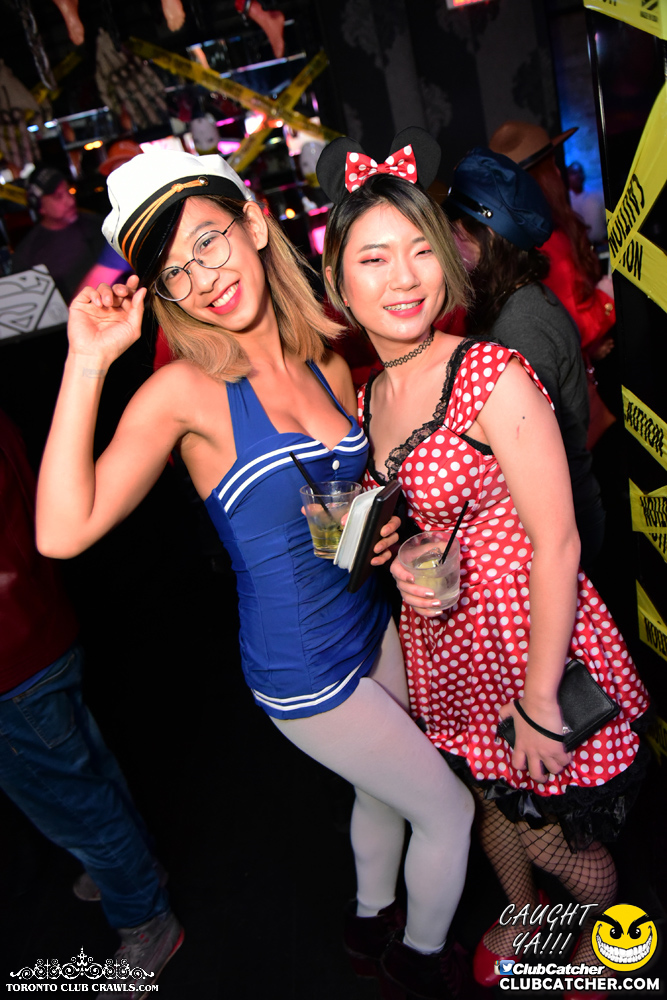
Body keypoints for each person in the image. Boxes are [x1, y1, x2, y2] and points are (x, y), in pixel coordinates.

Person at [35, 150, 475, 1000]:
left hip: (367, 620)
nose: (203, 277)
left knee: (383, 795)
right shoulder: (181, 394)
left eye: (209, 241)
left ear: (254, 224)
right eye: (176, 269)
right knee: (448, 810)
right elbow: (60, 531)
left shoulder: (326, 361)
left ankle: (368, 923)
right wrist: (85, 360)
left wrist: (380, 540)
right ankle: (423, 965)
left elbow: (334, 515)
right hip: (301, 669)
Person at [319, 128, 649, 1000]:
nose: (404, 277)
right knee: (490, 804)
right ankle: (525, 921)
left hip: (524, 636)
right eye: (374, 258)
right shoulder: (371, 393)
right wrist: (396, 555)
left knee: (557, 837)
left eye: (422, 249)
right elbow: (413, 515)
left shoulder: (490, 371)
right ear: (338, 282)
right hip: (446, 645)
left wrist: (539, 700)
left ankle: (607, 946)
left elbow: (559, 542)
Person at [0, 407, 181, 992]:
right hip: (40, 630)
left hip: (12, 662)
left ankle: (147, 920)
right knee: (87, 770)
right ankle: (136, 865)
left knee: (74, 807)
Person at [444, 147, 605, 569]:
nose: (449, 249)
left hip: (559, 529)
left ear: (486, 236)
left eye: (456, 233)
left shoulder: (520, 326)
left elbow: (528, 461)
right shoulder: (515, 302)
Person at [488, 122, 614, 359]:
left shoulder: (523, 235)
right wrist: (607, 299)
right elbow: (571, 330)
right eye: (553, 166)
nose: (558, 173)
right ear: (540, 179)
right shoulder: (545, 242)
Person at [11, 166, 128, 304]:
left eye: (68, 191)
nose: (70, 201)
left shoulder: (103, 226)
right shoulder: (27, 255)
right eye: (58, 196)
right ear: (39, 205)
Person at [567, 162, 607, 247]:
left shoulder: (597, 196)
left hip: (601, 245)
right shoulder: (565, 201)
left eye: (580, 172)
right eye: (574, 173)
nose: (578, 175)